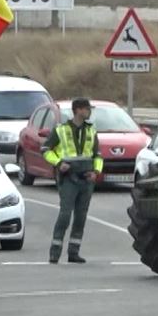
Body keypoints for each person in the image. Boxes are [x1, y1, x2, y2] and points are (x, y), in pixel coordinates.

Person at [43, 97, 103, 264]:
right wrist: (59, 163)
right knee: (65, 215)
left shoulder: (91, 130)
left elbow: (97, 155)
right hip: (69, 178)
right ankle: (55, 253)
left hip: (87, 179)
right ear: (77, 110)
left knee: (81, 217)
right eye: (86, 109)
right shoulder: (60, 130)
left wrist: (96, 172)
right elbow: (46, 149)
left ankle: (73, 253)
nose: (89, 112)